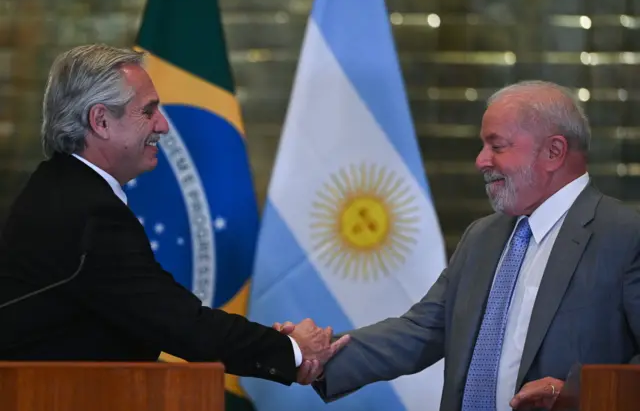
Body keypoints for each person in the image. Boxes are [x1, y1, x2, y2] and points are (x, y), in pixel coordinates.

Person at [274, 80, 640, 410]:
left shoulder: (625, 236)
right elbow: (420, 331)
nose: (481, 161)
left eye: (497, 146)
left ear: (553, 152)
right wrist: (307, 355)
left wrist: (580, 396)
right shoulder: (483, 236)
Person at [0, 44, 349, 385]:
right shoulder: (88, 212)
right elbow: (180, 323)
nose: (163, 125)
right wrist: (293, 351)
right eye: (148, 111)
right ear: (101, 120)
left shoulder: (59, 188)